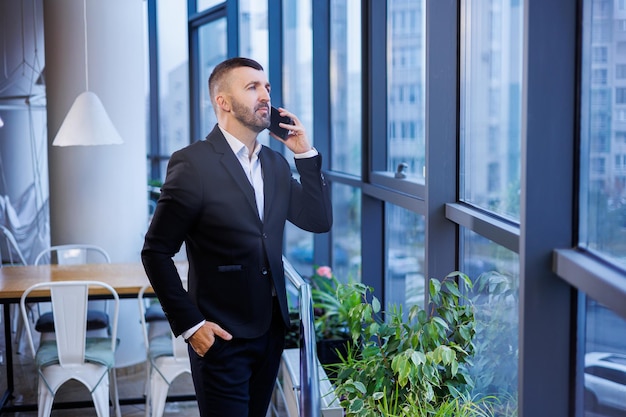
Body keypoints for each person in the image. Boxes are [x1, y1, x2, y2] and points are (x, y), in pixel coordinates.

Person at [141, 57, 333, 417]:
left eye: (267, 88)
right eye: (252, 87)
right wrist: (191, 325)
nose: (266, 96)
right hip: (220, 335)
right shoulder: (192, 164)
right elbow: (155, 252)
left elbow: (318, 219)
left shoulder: (275, 164)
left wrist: (304, 153)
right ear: (223, 102)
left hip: (271, 331)